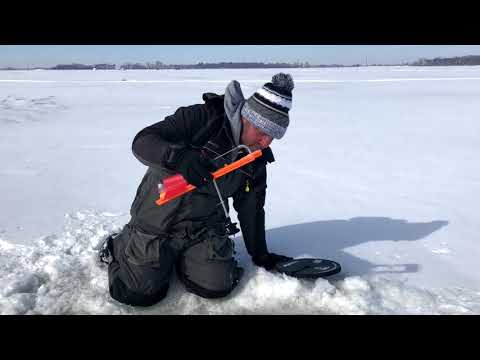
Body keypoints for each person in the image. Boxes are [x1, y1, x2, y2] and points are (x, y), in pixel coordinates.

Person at [99, 73, 295, 307]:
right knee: (137, 293)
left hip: (203, 228)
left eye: (273, 137)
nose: (265, 143)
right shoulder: (203, 118)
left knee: (217, 286)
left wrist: (260, 254)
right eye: (262, 133)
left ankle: (185, 260)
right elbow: (142, 142)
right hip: (156, 219)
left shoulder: (255, 159)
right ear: (246, 117)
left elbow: (251, 209)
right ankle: (120, 244)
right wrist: (178, 157)